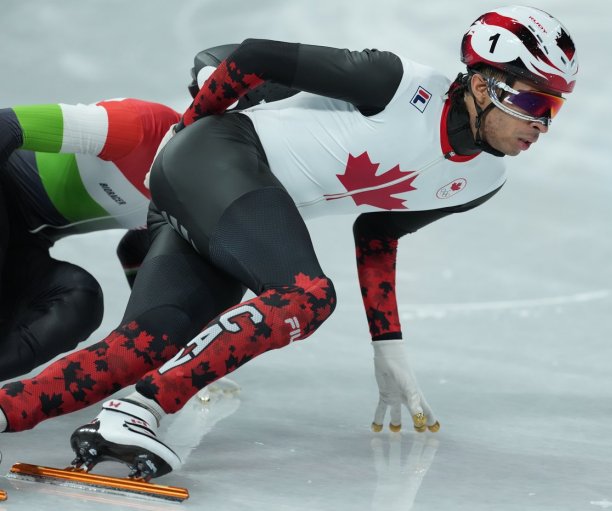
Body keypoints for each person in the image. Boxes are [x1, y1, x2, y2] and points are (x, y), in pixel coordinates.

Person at [0, 6, 578, 480]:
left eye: (553, 109)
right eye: (532, 102)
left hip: (233, 206)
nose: (541, 125)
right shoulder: (397, 83)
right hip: (221, 155)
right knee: (307, 295)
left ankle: (26, 411)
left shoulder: (482, 179)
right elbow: (254, 56)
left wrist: (389, 347)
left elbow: (377, 235)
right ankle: (145, 406)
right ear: (479, 84)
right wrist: (186, 128)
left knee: (139, 347)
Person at [0, 97, 181, 381]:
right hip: (7, 185)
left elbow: (136, 250)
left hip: (26, 244)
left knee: (81, 302)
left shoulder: (201, 199)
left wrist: (176, 355)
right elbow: (6, 125)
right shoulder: (144, 125)